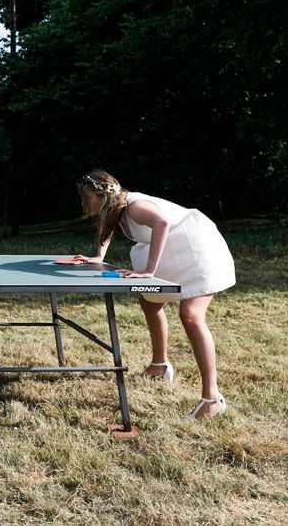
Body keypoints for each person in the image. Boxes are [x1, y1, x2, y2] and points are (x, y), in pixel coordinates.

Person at [75, 170, 235, 422]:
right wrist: (99, 257)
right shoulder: (116, 210)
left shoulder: (135, 207)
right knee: (149, 303)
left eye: (86, 196)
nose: (83, 201)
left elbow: (161, 223)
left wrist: (149, 270)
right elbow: (109, 228)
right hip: (177, 249)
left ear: (101, 195)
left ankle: (213, 399)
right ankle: (160, 366)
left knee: (191, 316)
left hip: (198, 249)